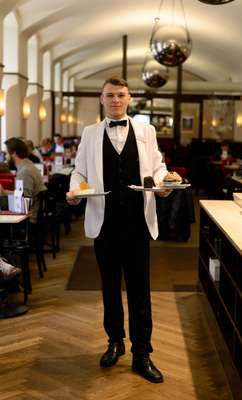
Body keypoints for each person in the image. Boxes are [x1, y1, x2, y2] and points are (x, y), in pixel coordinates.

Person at [67, 76, 180, 384]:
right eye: (110, 95)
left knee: (140, 289)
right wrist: (75, 188)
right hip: (104, 223)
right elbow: (79, 170)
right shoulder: (90, 133)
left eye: (120, 95)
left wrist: (164, 181)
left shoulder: (146, 131)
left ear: (129, 98)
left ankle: (142, 353)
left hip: (137, 222)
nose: (115, 100)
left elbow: (156, 167)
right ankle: (114, 341)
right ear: (101, 100)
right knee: (109, 287)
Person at [0, 138, 46, 223]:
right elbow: (23, 194)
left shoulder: (25, 172)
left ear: (13, 154)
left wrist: (4, 198)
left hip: (29, 216)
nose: (5, 157)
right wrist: (5, 192)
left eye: (6, 153)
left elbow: (24, 203)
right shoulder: (28, 165)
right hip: (31, 208)